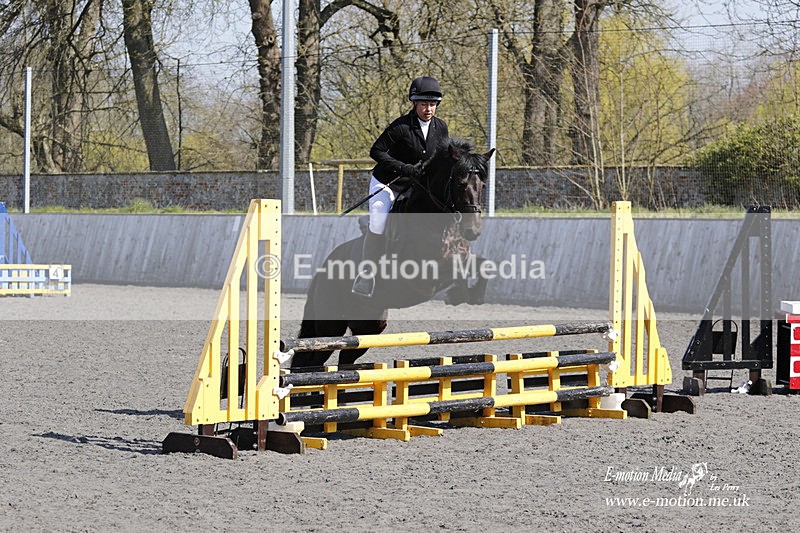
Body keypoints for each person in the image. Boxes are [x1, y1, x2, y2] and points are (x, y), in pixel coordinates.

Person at [352, 76, 450, 297]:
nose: (428, 109)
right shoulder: (401, 127)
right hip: (389, 182)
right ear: (414, 103)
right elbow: (376, 152)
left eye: (432, 104)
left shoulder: (440, 127)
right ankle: (366, 276)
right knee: (378, 220)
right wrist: (403, 167)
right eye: (423, 104)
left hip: (417, 185)